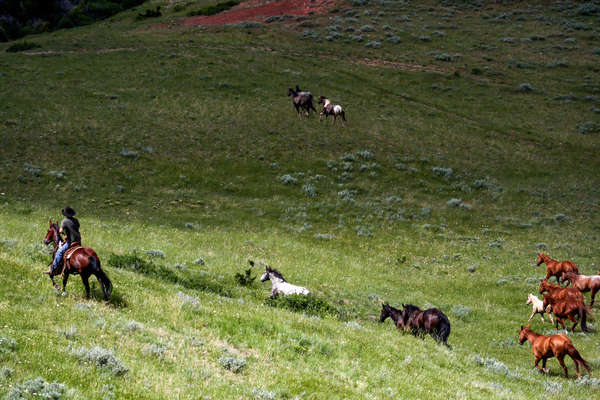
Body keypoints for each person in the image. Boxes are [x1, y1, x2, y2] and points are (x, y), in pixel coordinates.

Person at [45, 206, 81, 275]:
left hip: (71, 241)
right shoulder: (76, 220)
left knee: (59, 252)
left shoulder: (64, 221)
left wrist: (64, 233)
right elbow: (76, 229)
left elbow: (60, 231)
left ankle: (53, 269)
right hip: (78, 241)